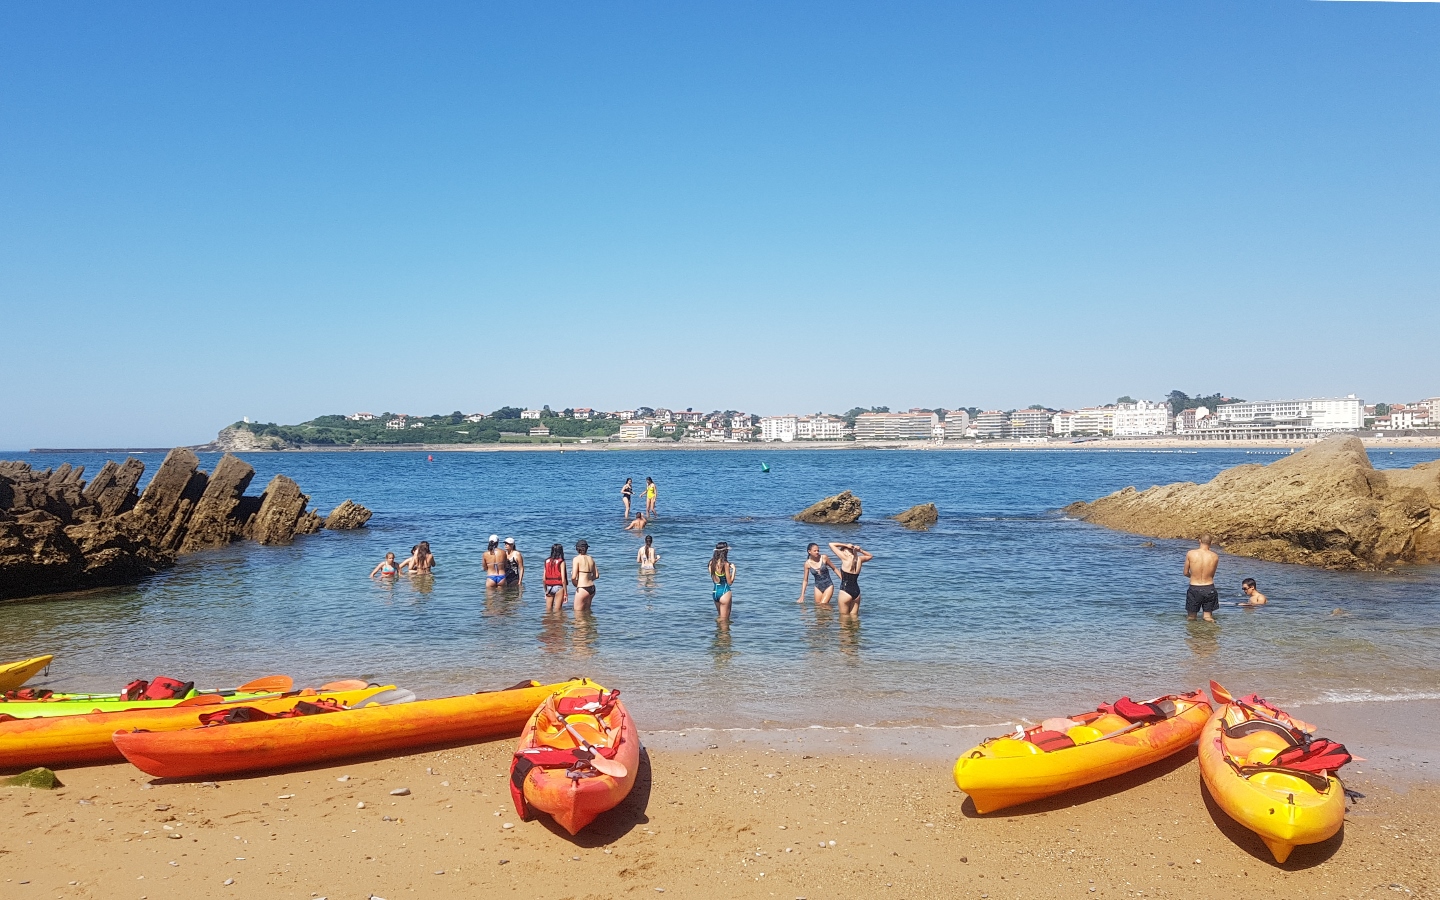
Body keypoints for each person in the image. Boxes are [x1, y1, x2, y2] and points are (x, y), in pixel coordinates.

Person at [829, 542, 872, 618]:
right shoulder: (859, 559)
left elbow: (831, 544)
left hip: (845, 591)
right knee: (854, 618)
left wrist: (846, 545)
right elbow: (870, 556)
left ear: (845, 551)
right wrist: (860, 550)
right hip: (856, 592)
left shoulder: (845, 558)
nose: (841, 552)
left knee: (844, 618)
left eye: (842, 550)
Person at [1184, 534, 1220, 621]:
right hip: (1209, 587)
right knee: (1207, 617)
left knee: (1191, 617)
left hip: (1194, 587)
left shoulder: (1190, 553)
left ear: (1200, 541)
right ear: (1211, 542)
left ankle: (1193, 629)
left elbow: (1185, 573)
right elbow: (1212, 575)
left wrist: (1193, 576)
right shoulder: (1215, 556)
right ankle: (1211, 628)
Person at [709, 541, 735, 621]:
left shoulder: (711, 563)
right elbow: (730, 582)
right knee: (725, 621)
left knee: (720, 617)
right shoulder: (725, 564)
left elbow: (714, 579)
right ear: (725, 552)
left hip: (715, 592)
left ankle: (717, 629)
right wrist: (734, 570)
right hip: (724, 592)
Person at [571, 539, 598, 613]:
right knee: (587, 612)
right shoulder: (591, 558)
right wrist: (588, 579)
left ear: (577, 548)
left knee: (577, 613)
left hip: (582, 588)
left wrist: (576, 584)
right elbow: (596, 575)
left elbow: (573, 577)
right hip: (592, 588)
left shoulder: (576, 559)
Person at [542, 543, 568, 612]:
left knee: (548, 611)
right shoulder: (561, 562)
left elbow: (544, 579)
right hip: (558, 587)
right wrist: (565, 593)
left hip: (549, 587)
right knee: (557, 611)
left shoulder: (547, 561)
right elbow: (563, 580)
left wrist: (546, 591)